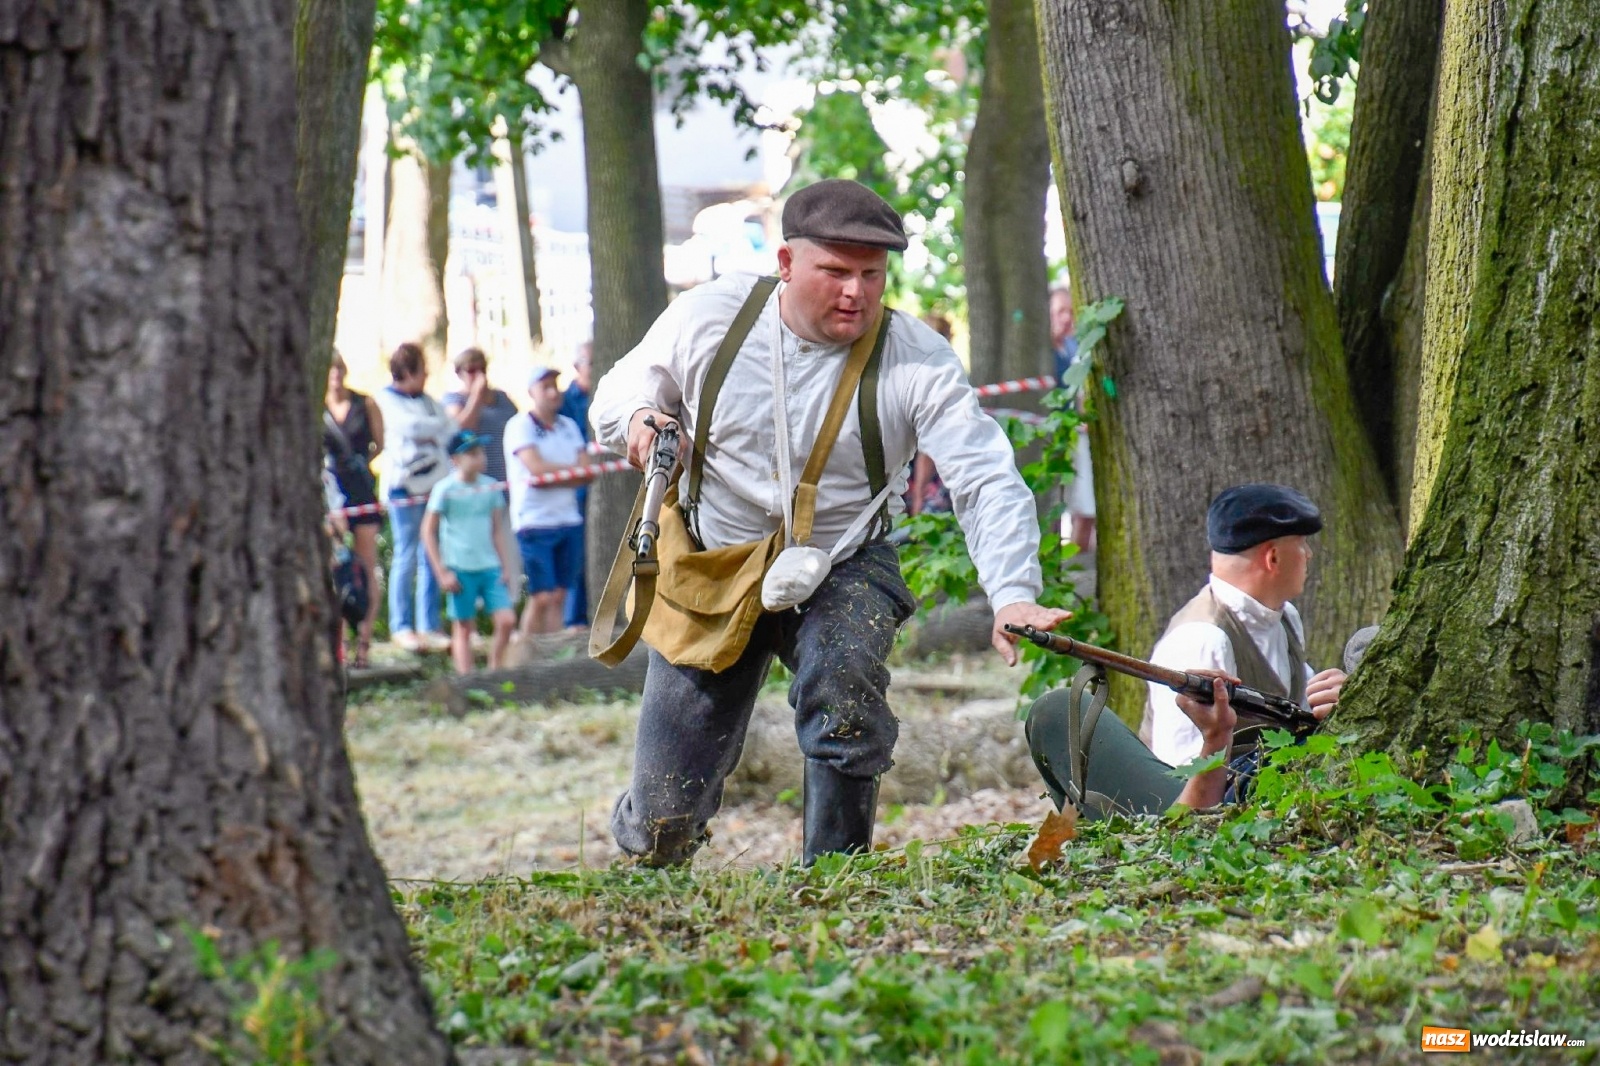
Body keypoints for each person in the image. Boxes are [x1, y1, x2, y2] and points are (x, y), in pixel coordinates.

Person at [590, 178, 1070, 867]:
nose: (856, 292)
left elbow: (984, 474)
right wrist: (641, 420)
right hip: (714, 558)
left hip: (844, 561)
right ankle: (654, 864)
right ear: (786, 264)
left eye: (871, 275)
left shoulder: (914, 356)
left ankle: (836, 876)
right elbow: (618, 394)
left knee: (845, 690)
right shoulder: (709, 319)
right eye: (836, 272)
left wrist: (1013, 591)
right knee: (665, 809)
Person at [1025, 483, 1350, 814]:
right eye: (1302, 545)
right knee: (1056, 710)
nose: (1309, 554)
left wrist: (1342, 700)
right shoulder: (1203, 639)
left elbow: (1298, 708)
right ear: (1273, 557)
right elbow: (1180, 785)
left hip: (1261, 786)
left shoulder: (1284, 617)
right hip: (1199, 803)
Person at [373, 343, 457, 652]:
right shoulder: (386, 400)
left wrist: (438, 426)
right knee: (407, 554)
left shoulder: (428, 402)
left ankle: (429, 624)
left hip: (433, 487)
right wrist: (439, 425)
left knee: (430, 553)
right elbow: (409, 427)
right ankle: (401, 625)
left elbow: (451, 429)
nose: (426, 376)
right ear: (408, 371)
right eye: (422, 370)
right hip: (404, 489)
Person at [505, 366, 593, 637]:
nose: (553, 392)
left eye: (556, 385)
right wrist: (566, 473)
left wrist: (553, 475)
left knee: (559, 595)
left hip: (567, 518)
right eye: (546, 387)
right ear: (532, 392)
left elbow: (586, 471)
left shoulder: (568, 426)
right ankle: (525, 654)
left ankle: (553, 655)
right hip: (534, 521)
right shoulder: (520, 426)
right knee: (541, 596)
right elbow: (535, 468)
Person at [422, 431, 519, 674]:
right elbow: (428, 531)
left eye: (480, 452)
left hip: (489, 565)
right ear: (455, 459)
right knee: (463, 626)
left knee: (507, 620)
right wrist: (442, 571)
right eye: (471, 453)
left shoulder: (490, 486)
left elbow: (497, 530)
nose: (479, 458)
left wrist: (505, 565)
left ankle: (495, 671)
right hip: (459, 565)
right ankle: (466, 679)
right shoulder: (444, 489)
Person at [323, 350, 385, 666]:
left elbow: (380, 443)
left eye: (339, 369)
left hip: (361, 491)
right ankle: (339, 643)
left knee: (365, 567)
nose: (335, 375)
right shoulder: (317, 408)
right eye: (330, 369)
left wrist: (361, 466)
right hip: (329, 494)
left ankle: (364, 643)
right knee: (335, 569)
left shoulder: (366, 403)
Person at [1051, 286, 1095, 553]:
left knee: (1084, 504)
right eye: (1060, 311)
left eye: (1070, 311)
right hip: (1053, 438)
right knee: (1058, 503)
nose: (1066, 318)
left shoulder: (1072, 349)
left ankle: (1077, 562)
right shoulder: (1043, 353)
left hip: (1076, 435)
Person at [443, 346, 520, 492]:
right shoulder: (453, 400)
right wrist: (477, 396)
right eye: (472, 371)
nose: (479, 375)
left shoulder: (502, 398)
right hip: (473, 485)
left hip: (504, 479)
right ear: (460, 374)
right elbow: (461, 430)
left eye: (482, 369)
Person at [558, 343, 595, 628]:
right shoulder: (565, 403)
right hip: (574, 492)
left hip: (597, 483)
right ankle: (574, 618)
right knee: (577, 555)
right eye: (590, 363)